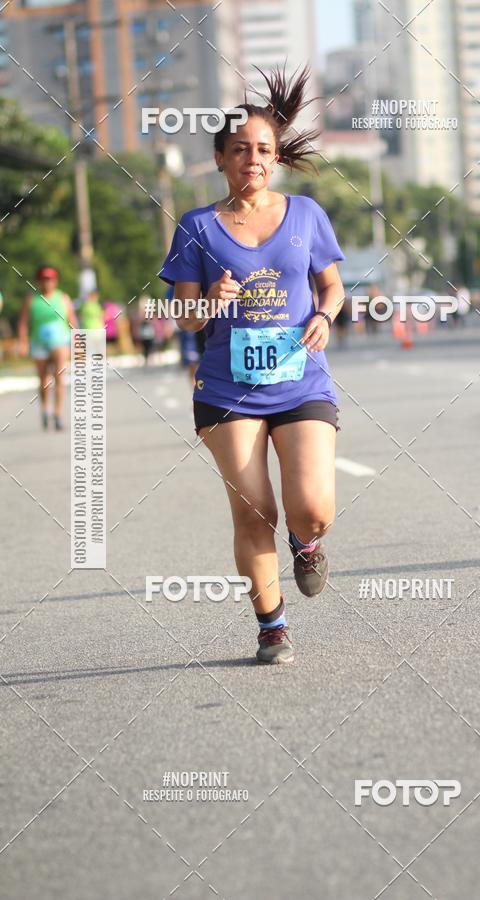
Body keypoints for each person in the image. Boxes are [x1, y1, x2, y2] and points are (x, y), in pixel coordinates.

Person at [160, 65, 345, 665]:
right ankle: (272, 626)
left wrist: (324, 315)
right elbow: (181, 316)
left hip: (300, 379)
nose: (253, 159)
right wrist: (206, 304)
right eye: (240, 150)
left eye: (264, 149)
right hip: (226, 388)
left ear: (277, 157)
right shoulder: (197, 227)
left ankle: (306, 543)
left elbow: (333, 287)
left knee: (313, 508)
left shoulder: (307, 215)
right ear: (220, 158)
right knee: (252, 508)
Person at [18, 265, 77, 431]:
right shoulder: (32, 298)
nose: (47, 283)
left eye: (50, 279)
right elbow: (23, 322)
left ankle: (57, 414)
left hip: (60, 341)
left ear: (55, 281)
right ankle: (45, 409)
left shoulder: (63, 297)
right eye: (44, 279)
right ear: (39, 281)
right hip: (38, 342)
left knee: (59, 378)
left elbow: (72, 321)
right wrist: (22, 342)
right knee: (43, 380)